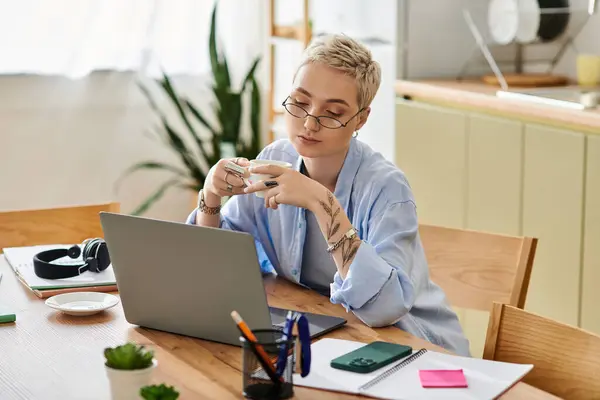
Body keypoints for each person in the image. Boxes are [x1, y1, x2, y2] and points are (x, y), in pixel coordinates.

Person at [186, 34, 471, 356]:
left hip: (413, 347)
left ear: (360, 119)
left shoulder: (387, 188)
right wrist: (210, 198)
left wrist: (322, 204)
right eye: (300, 102)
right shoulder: (276, 159)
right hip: (326, 331)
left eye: (333, 113)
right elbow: (217, 268)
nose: (309, 123)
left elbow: (384, 309)